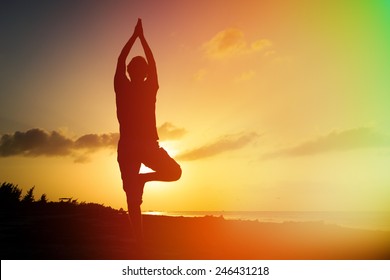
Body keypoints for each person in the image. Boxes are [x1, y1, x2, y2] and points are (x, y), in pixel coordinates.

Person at [114, 19, 182, 243]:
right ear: (141, 72)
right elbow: (149, 63)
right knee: (171, 174)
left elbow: (121, 60)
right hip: (140, 145)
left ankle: (139, 241)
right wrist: (140, 37)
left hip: (131, 146)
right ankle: (139, 243)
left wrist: (135, 37)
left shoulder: (125, 85)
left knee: (133, 197)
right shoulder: (144, 86)